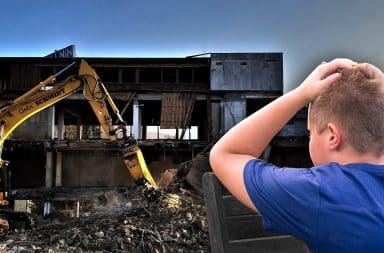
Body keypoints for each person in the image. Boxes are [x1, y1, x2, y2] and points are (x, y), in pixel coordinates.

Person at [209, 58, 384, 253]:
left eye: (310, 133)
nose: (309, 139)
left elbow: (226, 154)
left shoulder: (321, 192)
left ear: (333, 136)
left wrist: (301, 94)